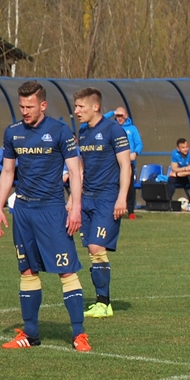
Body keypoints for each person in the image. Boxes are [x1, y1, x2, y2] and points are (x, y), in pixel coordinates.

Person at [0, 81, 90, 351]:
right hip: (23, 211)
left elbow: (75, 172)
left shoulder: (59, 131)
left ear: (43, 105)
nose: (25, 111)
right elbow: (8, 172)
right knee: (27, 270)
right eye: (22, 106)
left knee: (66, 270)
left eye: (30, 106)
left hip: (52, 211)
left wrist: (75, 207)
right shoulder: (13, 133)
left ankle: (79, 334)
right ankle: (30, 334)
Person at [74, 88, 131, 318]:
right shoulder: (83, 131)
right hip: (87, 198)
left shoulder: (113, 130)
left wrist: (122, 197)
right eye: (76, 106)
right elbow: (81, 166)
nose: (77, 111)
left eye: (81, 106)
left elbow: (125, 165)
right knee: (91, 249)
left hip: (107, 198)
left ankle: (104, 303)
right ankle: (101, 301)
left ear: (95, 107)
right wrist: (74, 199)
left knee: (97, 247)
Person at [114, 107, 143, 219]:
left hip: (127, 163)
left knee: (129, 187)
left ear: (126, 115)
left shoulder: (132, 129)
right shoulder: (112, 127)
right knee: (114, 186)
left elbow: (139, 143)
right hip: (114, 163)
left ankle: (131, 211)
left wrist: (135, 153)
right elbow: (100, 118)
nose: (119, 118)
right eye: (117, 116)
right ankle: (114, 210)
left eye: (121, 115)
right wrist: (112, 112)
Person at [167, 138, 190, 210]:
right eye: (183, 147)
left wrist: (178, 174)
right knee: (171, 179)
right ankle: (168, 201)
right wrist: (186, 168)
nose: (185, 149)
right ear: (178, 149)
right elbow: (174, 168)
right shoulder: (174, 153)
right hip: (183, 175)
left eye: (187, 147)